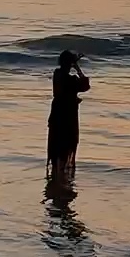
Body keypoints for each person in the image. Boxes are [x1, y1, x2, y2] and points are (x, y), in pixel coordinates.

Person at [47, 50, 91, 180]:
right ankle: (62, 174)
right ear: (70, 64)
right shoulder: (71, 79)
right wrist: (77, 68)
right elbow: (85, 86)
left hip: (56, 113)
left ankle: (56, 172)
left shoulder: (57, 74)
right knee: (67, 142)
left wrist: (73, 64)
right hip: (68, 115)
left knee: (56, 142)